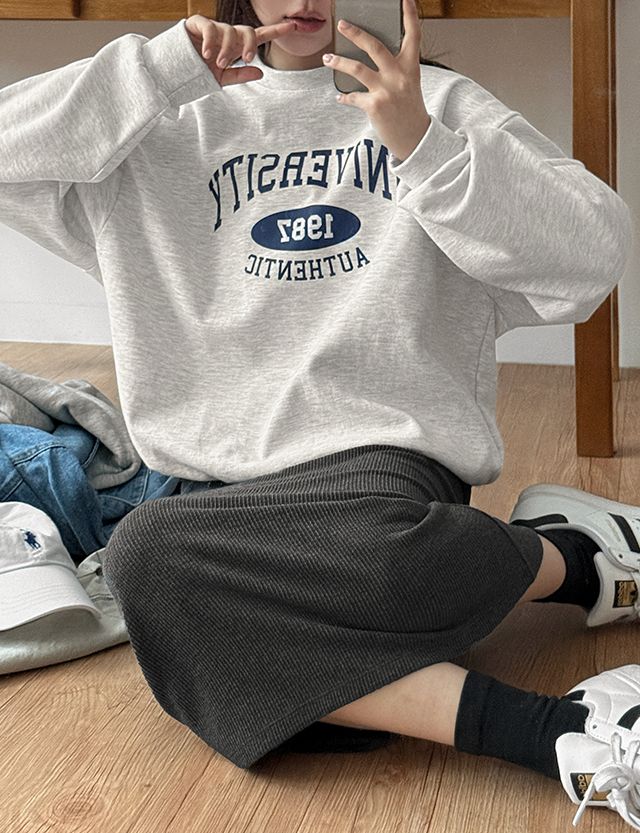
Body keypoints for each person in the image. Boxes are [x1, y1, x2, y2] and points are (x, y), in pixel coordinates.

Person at [0, 0, 637, 827]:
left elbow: (594, 253)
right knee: (164, 567)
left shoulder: (435, 106)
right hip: (216, 496)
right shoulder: (158, 116)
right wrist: (155, 71)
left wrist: (425, 148)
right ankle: (560, 710)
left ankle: (565, 568)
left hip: (383, 480)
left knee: (193, 584)